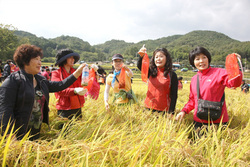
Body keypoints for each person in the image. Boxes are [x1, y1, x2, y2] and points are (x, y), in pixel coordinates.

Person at [0, 44, 86, 140]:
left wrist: (78, 72)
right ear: (25, 61)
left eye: (40, 60)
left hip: (36, 131)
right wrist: (10, 137)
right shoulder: (13, 82)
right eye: (36, 59)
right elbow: (5, 111)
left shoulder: (40, 80)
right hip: (19, 133)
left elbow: (60, 85)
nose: (40, 63)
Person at [175, 47, 242, 130]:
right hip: (199, 121)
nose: (201, 61)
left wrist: (233, 64)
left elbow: (234, 83)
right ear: (193, 62)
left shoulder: (219, 72)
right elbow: (192, 100)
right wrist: (184, 111)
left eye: (204, 57)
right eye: (197, 59)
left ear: (208, 59)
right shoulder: (194, 79)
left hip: (218, 121)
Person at [137, 47, 178, 116]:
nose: (158, 59)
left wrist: (171, 112)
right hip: (148, 108)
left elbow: (174, 95)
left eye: (161, 56)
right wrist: (141, 56)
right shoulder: (151, 72)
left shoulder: (172, 75)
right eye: (156, 57)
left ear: (166, 58)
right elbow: (140, 66)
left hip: (163, 110)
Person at [51, 49, 87, 120]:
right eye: (70, 58)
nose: (73, 59)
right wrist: (74, 90)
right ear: (64, 60)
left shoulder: (77, 72)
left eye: (73, 58)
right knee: (65, 130)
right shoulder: (56, 73)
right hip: (64, 108)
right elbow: (59, 90)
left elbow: (86, 82)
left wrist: (93, 71)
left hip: (77, 106)